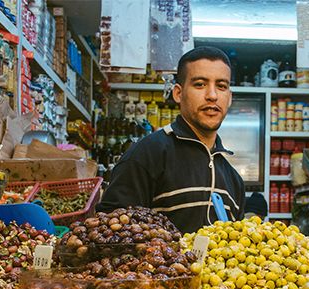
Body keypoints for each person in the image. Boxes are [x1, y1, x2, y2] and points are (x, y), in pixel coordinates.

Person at [96, 46, 245, 234]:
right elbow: (108, 231)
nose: (212, 95)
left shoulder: (233, 180)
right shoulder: (147, 154)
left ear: (229, 98)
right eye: (200, 84)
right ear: (178, 94)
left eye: (221, 86)